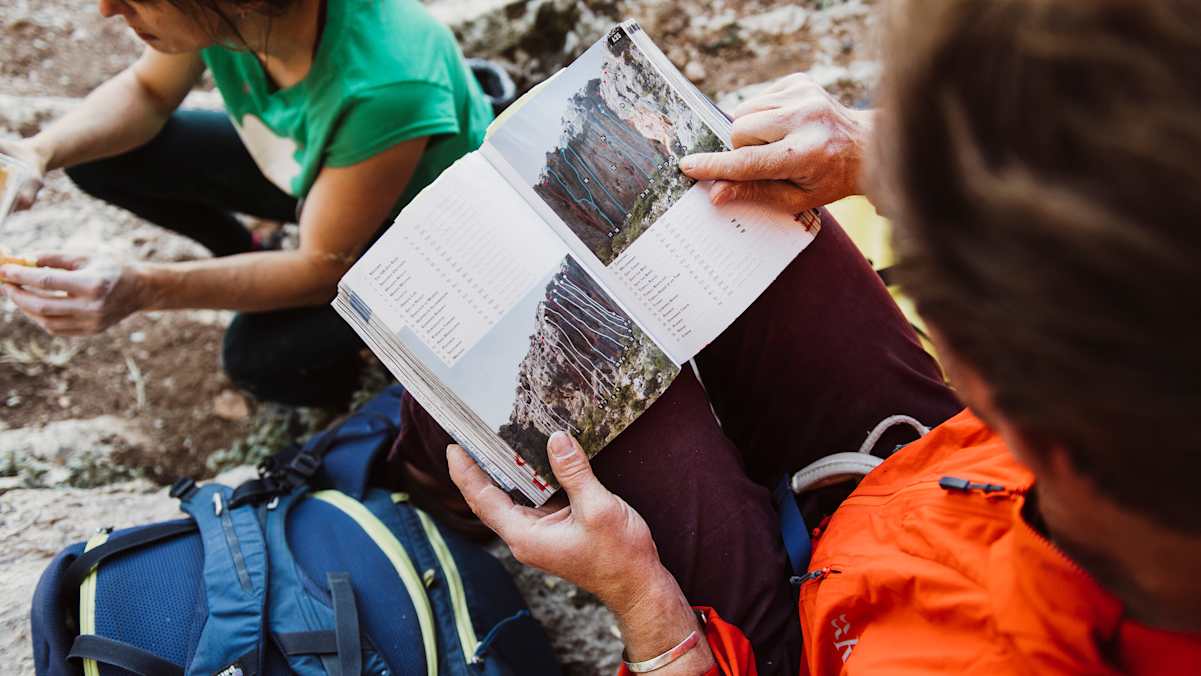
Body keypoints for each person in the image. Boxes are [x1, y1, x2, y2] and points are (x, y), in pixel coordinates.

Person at [439, 0, 1201, 673]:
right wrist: (873, 149)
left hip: (784, 647)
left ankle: (423, 469)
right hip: (944, 476)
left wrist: (646, 612)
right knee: (724, 204)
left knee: (513, 353)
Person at [0, 0, 492, 407]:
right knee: (96, 155)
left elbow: (322, 267)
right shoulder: (231, 15)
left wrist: (142, 288)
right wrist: (35, 152)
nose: (108, 9)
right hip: (319, 169)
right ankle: (248, 249)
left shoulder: (389, 83)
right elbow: (147, 93)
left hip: (408, 234)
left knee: (258, 359)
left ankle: (368, 390)